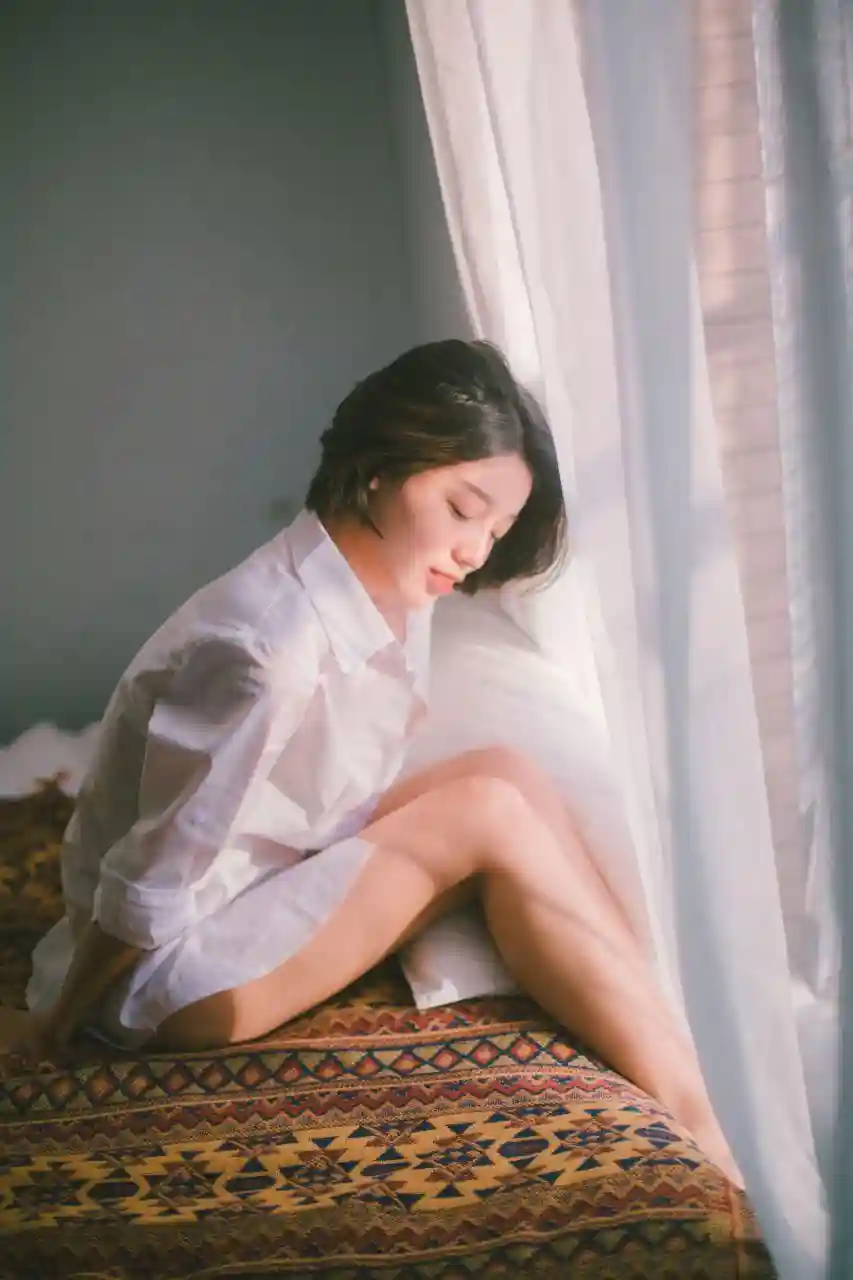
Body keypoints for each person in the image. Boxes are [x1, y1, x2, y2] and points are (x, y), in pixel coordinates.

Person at [0, 339, 743, 1189]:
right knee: (487, 812)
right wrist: (57, 1026)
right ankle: (702, 1120)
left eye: (495, 530)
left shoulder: (386, 585)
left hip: (261, 877)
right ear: (381, 466)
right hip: (171, 978)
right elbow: (149, 880)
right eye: (462, 509)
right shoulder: (265, 651)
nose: (475, 551)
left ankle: (670, 1034)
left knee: (503, 771)